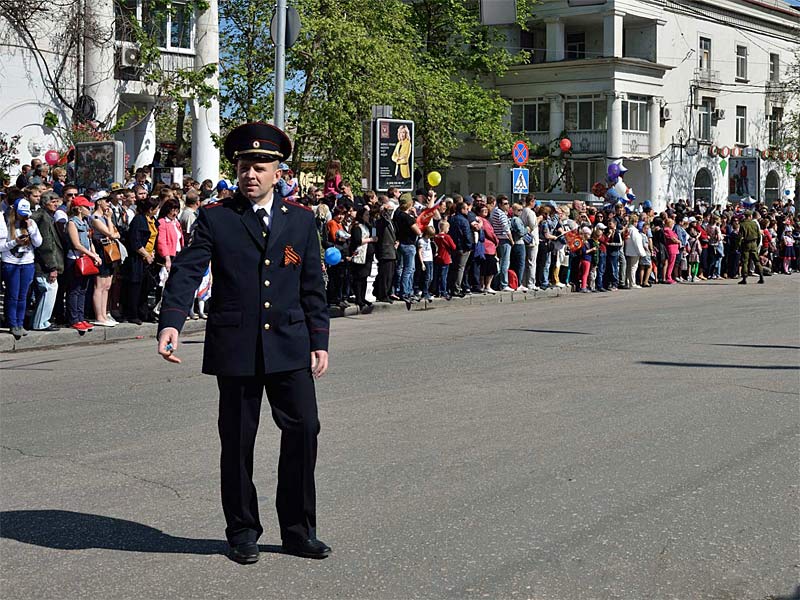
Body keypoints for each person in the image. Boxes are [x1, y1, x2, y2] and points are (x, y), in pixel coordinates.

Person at [157, 122, 331, 565]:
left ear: (278, 171)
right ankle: (242, 530)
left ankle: (297, 530)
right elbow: (188, 271)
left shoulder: (301, 221)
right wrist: (172, 321)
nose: (250, 173)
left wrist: (319, 339)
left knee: (304, 431)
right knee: (237, 442)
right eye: (243, 165)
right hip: (236, 347)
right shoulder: (218, 218)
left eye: (260, 165)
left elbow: (312, 284)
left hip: (290, 344)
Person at [1, 199, 42, 338]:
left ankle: (20, 322)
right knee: (13, 294)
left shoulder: (31, 222)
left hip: (27, 262)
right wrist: (15, 242)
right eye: (21, 214)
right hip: (10, 263)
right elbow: (1, 246)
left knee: (23, 295)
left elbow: (38, 242)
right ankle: (13, 323)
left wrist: (30, 229)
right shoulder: (5, 223)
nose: (24, 217)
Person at [65, 196, 102, 332]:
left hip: (86, 258)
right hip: (75, 259)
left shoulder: (85, 222)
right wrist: (92, 254)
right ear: (79, 209)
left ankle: (81, 317)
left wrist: (95, 254)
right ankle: (74, 319)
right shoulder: (72, 223)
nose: (89, 209)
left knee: (83, 290)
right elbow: (76, 244)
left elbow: (89, 241)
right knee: (74, 290)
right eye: (86, 207)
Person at [30, 192, 64, 331]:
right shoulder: (43, 218)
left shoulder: (46, 216)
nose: (56, 204)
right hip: (44, 265)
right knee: (49, 290)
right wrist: (52, 267)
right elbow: (46, 245)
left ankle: (40, 321)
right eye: (53, 201)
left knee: (48, 291)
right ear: (45, 203)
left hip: (44, 264)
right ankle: (41, 323)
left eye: (57, 201)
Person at [124, 196, 160, 324]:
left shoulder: (152, 220)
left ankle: (144, 312)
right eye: (156, 208)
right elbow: (135, 241)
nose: (157, 210)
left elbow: (153, 238)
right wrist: (145, 254)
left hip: (149, 258)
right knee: (135, 287)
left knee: (146, 287)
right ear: (150, 209)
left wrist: (153, 252)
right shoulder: (139, 220)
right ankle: (132, 314)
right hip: (138, 259)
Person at [89, 195, 122, 326]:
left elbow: (116, 233)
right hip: (101, 250)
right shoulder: (96, 218)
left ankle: (104, 313)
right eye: (106, 201)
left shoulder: (104, 218)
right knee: (100, 285)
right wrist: (108, 220)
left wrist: (109, 222)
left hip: (110, 251)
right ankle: (99, 316)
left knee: (107, 285)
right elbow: (110, 233)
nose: (108, 203)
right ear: (99, 202)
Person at [393, 194, 421, 304]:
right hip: (409, 244)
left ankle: (403, 290)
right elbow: (418, 231)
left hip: (401, 243)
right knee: (408, 270)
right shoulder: (407, 218)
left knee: (401, 268)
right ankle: (406, 292)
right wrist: (415, 216)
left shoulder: (397, 214)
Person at [348, 206, 376, 311]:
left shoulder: (368, 226)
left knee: (365, 278)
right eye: (366, 215)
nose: (368, 217)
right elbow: (357, 240)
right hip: (360, 255)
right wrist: (370, 239)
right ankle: (358, 298)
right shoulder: (357, 227)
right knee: (359, 277)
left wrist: (372, 222)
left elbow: (375, 234)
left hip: (368, 256)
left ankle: (364, 297)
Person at [373, 202, 397, 303]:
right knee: (385, 275)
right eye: (389, 210)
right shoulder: (380, 221)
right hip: (385, 250)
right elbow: (375, 231)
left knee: (390, 274)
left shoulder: (391, 221)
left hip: (392, 249)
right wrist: (384, 211)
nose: (391, 212)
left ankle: (386, 293)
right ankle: (382, 294)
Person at [738, 210, 764, 284]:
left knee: (745, 262)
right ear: (750, 216)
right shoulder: (754, 224)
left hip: (746, 244)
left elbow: (740, 237)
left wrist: (738, 246)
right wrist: (757, 244)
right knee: (757, 261)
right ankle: (761, 276)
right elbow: (759, 235)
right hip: (754, 244)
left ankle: (744, 278)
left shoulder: (742, 224)